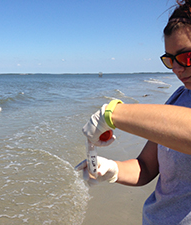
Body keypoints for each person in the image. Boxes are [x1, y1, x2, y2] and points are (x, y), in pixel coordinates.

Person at [75, 1, 191, 224]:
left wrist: (112, 114)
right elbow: (146, 167)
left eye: (186, 57)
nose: (177, 68)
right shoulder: (178, 97)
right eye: (169, 59)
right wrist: (112, 169)